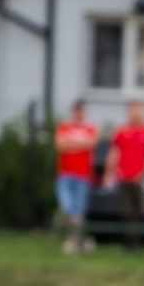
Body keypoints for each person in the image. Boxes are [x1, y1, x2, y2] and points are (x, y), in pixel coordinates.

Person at [103, 100, 144, 252]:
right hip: (123, 178)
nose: (135, 113)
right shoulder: (121, 132)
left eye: (138, 110)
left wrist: (143, 173)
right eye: (132, 110)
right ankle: (128, 244)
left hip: (140, 179)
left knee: (140, 211)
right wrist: (109, 173)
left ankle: (138, 243)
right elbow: (114, 153)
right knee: (126, 212)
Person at [54, 101, 98, 255]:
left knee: (78, 211)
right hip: (65, 175)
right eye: (76, 111)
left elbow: (91, 144)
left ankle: (72, 241)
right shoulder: (63, 127)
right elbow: (60, 146)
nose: (79, 114)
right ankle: (80, 240)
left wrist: (70, 143)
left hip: (83, 175)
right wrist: (80, 144)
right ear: (73, 111)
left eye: (81, 111)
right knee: (66, 207)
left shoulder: (90, 128)